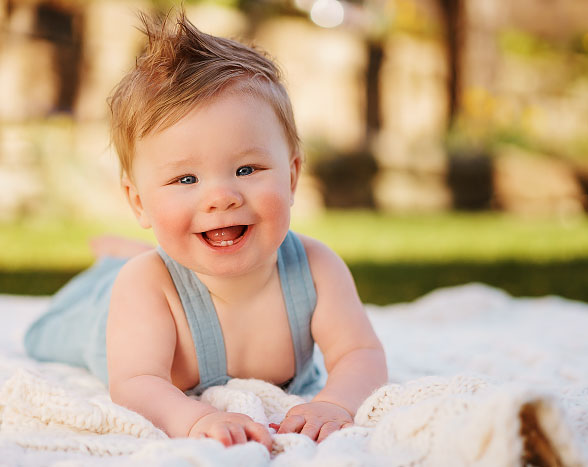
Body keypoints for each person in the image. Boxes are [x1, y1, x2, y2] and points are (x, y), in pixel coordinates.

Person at [24, 11, 387, 452]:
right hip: (113, 311)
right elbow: (137, 383)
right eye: (186, 179)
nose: (222, 197)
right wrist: (194, 418)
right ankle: (117, 260)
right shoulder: (147, 286)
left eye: (246, 168)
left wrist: (335, 403)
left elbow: (359, 355)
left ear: (291, 178)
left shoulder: (316, 269)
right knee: (44, 334)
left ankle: (127, 250)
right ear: (139, 202)